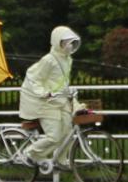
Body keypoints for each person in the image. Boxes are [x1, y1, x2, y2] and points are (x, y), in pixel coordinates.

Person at [18, 25, 82, 174]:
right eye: (65, 42)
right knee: (54, 136)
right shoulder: (48, 60)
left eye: (71, 42)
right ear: (56, 42)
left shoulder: (68, 60)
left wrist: (68, 92)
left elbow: (60, 80)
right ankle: (30, 153)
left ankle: (60, 160)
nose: (69, 45)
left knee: (68, 131)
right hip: (45, 102)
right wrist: (44, 93)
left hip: (59, 100)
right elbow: (34, 78)